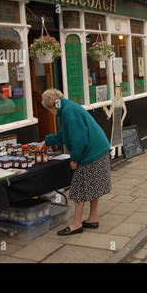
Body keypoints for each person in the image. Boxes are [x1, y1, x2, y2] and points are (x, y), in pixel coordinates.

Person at [39, 89, 111, 236]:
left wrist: (75, 159)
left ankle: (76, 224)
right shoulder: (68, 107)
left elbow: (79, 140)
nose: (51, 113)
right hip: (99, 149)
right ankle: (92, 218)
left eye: (48, 110)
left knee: (79, 188)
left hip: (91, 152)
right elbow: (65, 135)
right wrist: (47, 141)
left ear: (52, 106)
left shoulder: (68, 112)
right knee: (93, 186)